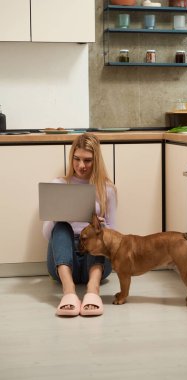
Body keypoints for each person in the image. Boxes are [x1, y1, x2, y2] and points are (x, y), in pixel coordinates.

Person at [42, 133, 117, 317]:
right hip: (64, 262)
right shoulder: (59, 184)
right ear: (71, 157)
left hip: (96, 263)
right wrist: (59, 216)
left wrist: (100, 225)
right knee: (61, 227)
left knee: (101, 233)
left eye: (87, 160)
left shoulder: (107, 189)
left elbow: (114, 238)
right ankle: (69, 292)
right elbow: (46, 236)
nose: (81, 166)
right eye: (77, 159)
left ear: (96, 161)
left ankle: (93, 289)